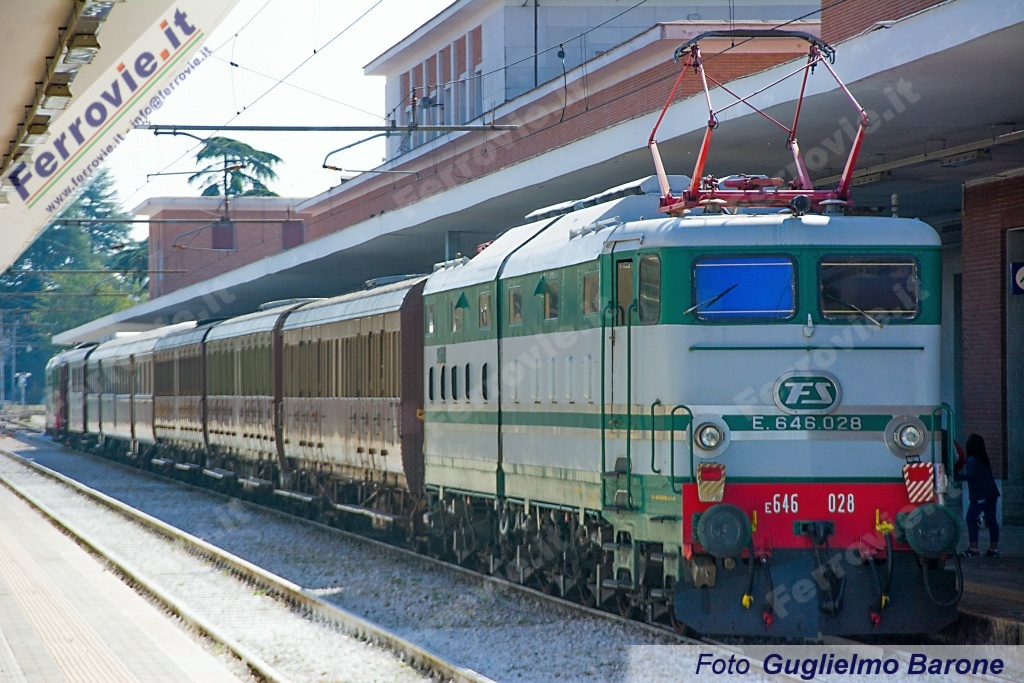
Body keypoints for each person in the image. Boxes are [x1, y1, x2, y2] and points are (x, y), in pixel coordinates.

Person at [957, 433, 1001, 557]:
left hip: (980, 494)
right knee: (992, 520)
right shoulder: (983, 458)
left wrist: (955, 477)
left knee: (970, 518)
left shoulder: (972, 459)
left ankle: (973, 549)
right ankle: (993, 549)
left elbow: (970, 476)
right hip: (991, 493)